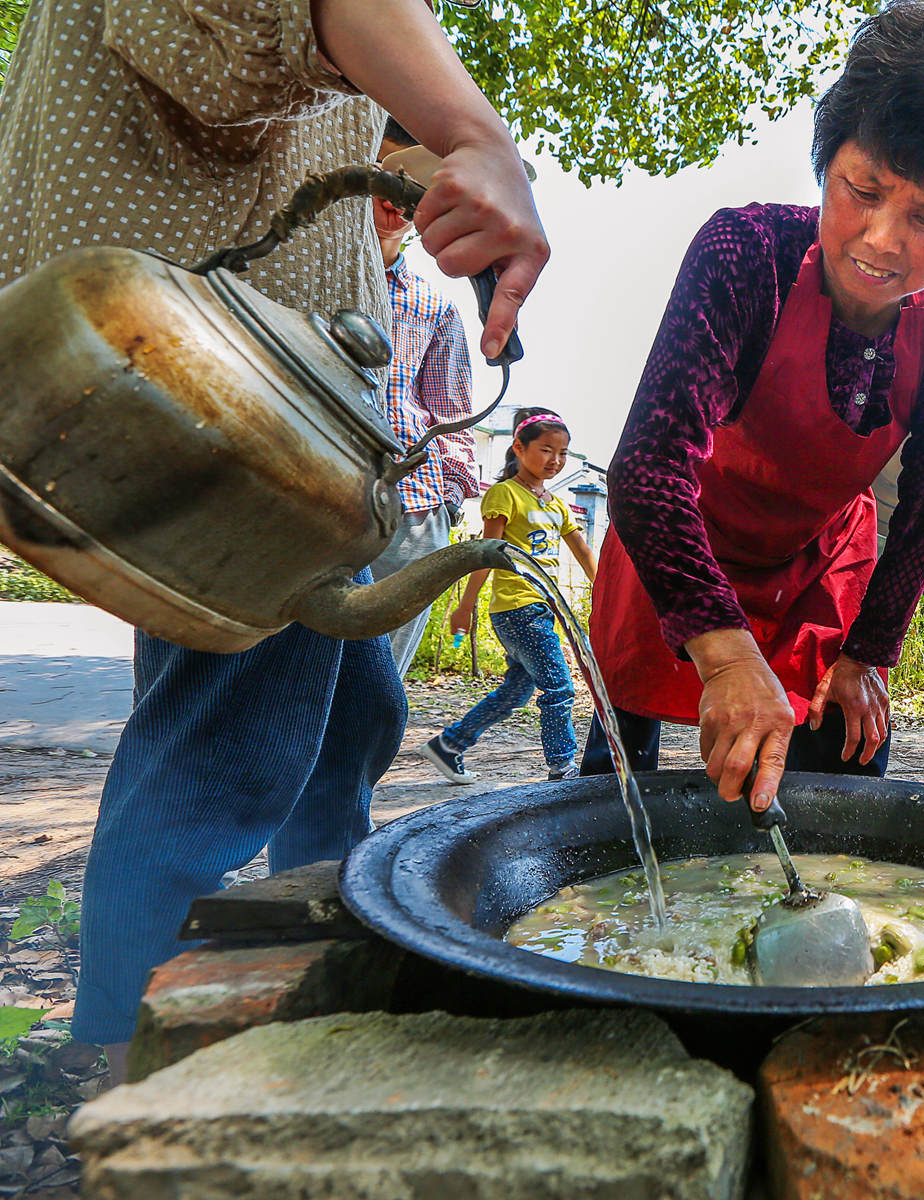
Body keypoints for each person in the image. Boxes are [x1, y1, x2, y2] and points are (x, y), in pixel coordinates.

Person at [0, 0, 549, 1075]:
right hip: (193, 373)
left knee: (349, 717)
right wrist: (482, 135)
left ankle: (318, 969)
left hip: (259, 397)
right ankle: (127, 1077)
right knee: (224, 740)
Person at [579, 0, 924, 813]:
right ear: (828, 162)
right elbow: (646, 470)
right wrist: (721, 654)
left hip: (815, 561)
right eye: (863, 189)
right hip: (678, 536)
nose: (884, 240)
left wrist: (869, 655)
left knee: (844, 767)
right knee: (615, 791)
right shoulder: (744, 255)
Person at [422, 409, 596, 783]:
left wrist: (605, 591)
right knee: (559, 687)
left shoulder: (556, 503)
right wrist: (465, 607)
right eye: (547, 450)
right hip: (519, 608)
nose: (557, 460)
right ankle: (562, 766)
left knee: (517, 691)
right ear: (519, 447)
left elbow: (582, 551)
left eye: (563, 453)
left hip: (543, 610)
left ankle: (448, 746)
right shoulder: (505, 494)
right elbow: (486, 552)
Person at [367, 118, 478, 676]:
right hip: (304, 492)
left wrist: (448, 499)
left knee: (376, 688)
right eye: (383, 170)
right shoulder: (310, 275)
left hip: (411, 508)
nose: (396, 189)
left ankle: (356, 767)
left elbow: (453, 413)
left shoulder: (434, 305)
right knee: (291, 683)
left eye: (412, 175)